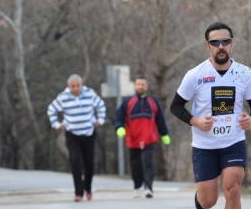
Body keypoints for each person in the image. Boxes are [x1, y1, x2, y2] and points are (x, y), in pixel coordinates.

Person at [170, 22, 251, 209]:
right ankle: (200, 198)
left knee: (233, 189)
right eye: (215, 42)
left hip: (233, 142)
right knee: (208, 201)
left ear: (231, 43)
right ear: (207, 46)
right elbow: (176, 106)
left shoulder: (245, 73)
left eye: (225, 41)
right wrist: (195, 121)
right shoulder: (195, 75)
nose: (221, 46)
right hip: (205, 146)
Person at [48, 74, 106, 202]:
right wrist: (57, 124)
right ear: (69, 86)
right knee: (74, 160)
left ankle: (88, 188)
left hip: (88, 132)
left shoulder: (90, 94)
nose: (75, 88)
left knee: (89, 163)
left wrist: (100, 120)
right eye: (73, 86)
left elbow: (101, 105)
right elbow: (51, 109)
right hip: (72, 133)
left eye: (77, 85)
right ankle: (78, 192)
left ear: (81, 85)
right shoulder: (63, 97)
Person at [114, 75, 171, 199]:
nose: (141, 86)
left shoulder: (153, 101)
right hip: (133, 138)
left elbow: (160, 119)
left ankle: (148, 188)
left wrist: (164, 133)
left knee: (148, 162)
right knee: (135, 164)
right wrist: (119, 127)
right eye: (138, 84)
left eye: (143, 84)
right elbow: (119, 116)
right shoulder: (129, 101)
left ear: (147, 86)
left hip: (149, 139)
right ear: (135, 86)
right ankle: (137, 186)